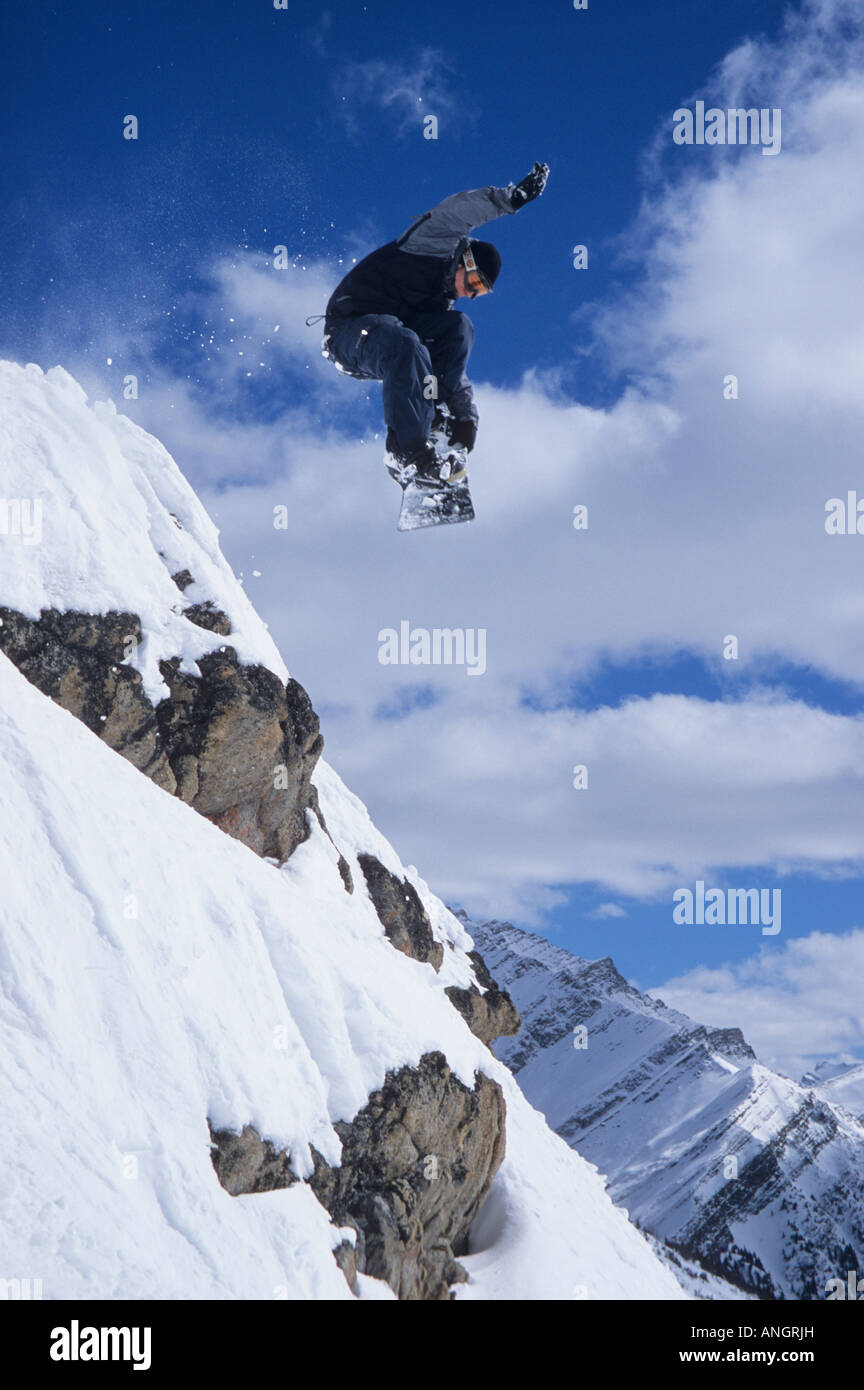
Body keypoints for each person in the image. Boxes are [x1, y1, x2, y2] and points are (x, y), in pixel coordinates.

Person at [320, 162, 550, 484]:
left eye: (479, 292)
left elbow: (457, 375)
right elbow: (458, 212)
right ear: (464, 261)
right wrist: (509, 200)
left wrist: (466, 424)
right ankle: (405, 452)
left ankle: (435, 426)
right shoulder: (431, 246)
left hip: (392, 336)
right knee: (404, 343)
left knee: (458, 329)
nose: (470, 293)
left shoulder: (439, 304)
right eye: (474, 283)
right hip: (348, 331)